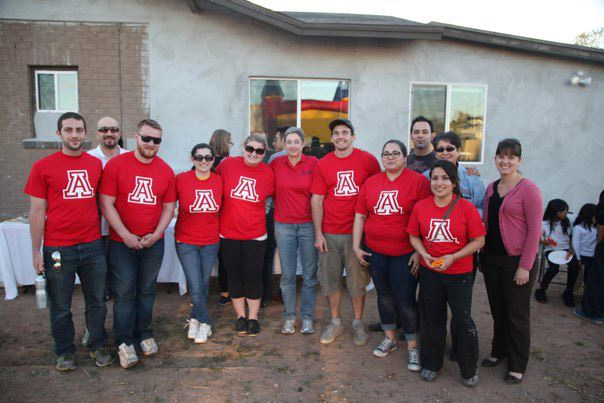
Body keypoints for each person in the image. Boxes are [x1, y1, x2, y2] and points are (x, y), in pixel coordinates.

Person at [25, 112, 113, 371]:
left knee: (97, 300)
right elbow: (37, 211)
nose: (74, 134)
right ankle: (64, 351)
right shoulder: (42, 167)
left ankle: (97, 345)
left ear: (85, 134)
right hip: (57, 249)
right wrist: (35, 250)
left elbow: (105, 202)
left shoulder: (96, 165)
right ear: (59, 134)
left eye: (79, 130)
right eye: (68, 130)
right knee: (60, 304)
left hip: (93, 245)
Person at [99, 119, 176, 369]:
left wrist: (156, 234)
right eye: (147, 138)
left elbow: (168, 208)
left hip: (153, 242)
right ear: (136, 137)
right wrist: (124, 234)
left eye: (157, 140)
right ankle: (124, 341)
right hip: (123, 243)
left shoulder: (165, 170)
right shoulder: (116, 165)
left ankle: (144, 333)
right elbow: (106, 203)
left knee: (146, 290)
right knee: (124, 293)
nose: (151, 144)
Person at [352, 139, 431, 370]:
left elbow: (425, 219)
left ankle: (414, 347)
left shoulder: (418, 182)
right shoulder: (371, 182)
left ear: (405, 157)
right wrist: (357, 246)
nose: (390, 157)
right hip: (376, 251)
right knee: (384, 295)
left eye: (395, 153)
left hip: (405, 253)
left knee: (405, 298)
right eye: (386, 154)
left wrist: (419, 251)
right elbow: (360, 216)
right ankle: (390, 338)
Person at [408, 160, 485, 387]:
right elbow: (414, 235)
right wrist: (423, 254)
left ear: (454, 182)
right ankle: (432, 363)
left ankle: (468, 367)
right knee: (431, 318)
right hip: (430, 271)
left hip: (459, 272)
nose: (439, 183)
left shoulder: (466, 208)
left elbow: (479, 240)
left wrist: (453, 257)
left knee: (462, 319)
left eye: (444, 178)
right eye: (434, 178)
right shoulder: (421, 207)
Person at [311, 118, 381, 346]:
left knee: (357, 281)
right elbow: (317, 200)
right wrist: (318, 233)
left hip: (357, 234)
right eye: (336, 133)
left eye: (345, 132)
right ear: (331, 139)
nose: (340, 136)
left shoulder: (368, 161)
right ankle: (335, 322)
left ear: (353, 136)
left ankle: (358, 324)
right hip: (330, 232)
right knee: (330, 280)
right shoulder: (323, 164)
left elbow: (378, 191)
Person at [480, 138, 543, 384]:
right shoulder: (491, 187)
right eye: (501, 156)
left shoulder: (529, 189)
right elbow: (487, 223)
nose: (505, 161)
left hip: (517, 261)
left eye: (511, 157)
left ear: (519, 160)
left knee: (517, 314)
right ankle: (499, 351)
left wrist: (525, 266)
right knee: (498, 310)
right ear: (495, 159)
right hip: (492, 259)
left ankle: (517, 364)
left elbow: (535, 232)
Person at [216, 133, 275, 336]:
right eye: (250, 149)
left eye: (259, 151)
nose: (253, 153)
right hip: (228, 233)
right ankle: (240, 316)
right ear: (243, 147)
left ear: (264, 153)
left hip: (255, 234)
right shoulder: (227, 165)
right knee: (234, 276)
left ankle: (253, 317)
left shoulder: (268, 173)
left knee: (253, 276)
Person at [270, 127, 319, 334]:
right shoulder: (275, 164)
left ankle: (307, 317)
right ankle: (289, 317)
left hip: (308, 225)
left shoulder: (313, 163)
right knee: (288, 275)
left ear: (302, 144)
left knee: (309, 275)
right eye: (288, 142)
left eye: (296, 142)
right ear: (284, 144)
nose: (292, 146)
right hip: (284, 225)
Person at [175, 143, 222, 344]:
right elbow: (167, 204)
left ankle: (194, 318)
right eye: (199, 157)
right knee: (195, 284)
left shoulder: (220, 181)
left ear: (213, 160)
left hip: (211, 241)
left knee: (202, 283)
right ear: (192, 159)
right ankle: (206, 322)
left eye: (208, 158)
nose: (204, 161)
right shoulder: (181, 179)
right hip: (186, 241)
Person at [88, 116, 129, 301]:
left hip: (126, 226)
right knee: (99, 273)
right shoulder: (88, 158)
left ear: (119, 133)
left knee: (123, 274)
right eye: (104, 130)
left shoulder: (130, 157)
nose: (109, 133)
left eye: (113, 129)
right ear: (97, 133)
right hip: (98, 226)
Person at [424, 132, 485, 215]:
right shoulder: (425, 178)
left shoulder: (473, 179)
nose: (445, 153)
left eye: (450, 149)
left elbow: (480, 208)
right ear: (436, 153)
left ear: (458, 151)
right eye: (440, 149)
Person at [534, 199, 580, 306]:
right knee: (554, 268)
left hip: (565, 249)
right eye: (563, 210)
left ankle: (569, 292)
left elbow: (572, 237)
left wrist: (571, 249)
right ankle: (542, 289)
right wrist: (545, 242)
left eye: (566, 210)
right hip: (551, 250)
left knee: (574, 267)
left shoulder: (568, 221)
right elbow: (540, 240)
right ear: (555, 212)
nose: (565, 213)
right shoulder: (543, 224)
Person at [209, 129, 233, 306]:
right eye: (229, 141)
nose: (231, 145)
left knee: (214, 256)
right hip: (222, 213)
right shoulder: (226, 163)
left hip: (209, 213)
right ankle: (225, 292)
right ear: (224, 143)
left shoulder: (204, 161)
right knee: (225, 257)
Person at [574, 190, 604, 324]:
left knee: (598, 278)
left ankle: (593, 312)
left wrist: (599, 244)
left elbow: (601, 221)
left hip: (596, 252)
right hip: (585, 256)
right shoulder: (579, 228)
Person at [571, 203, 597, 285]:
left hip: (592, 256)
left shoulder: (596, 229)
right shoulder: (578, 228)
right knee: (575, 273)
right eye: (595, 215)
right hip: (581, 256)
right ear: (589, 215)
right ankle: (569, 291)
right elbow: (576, 244)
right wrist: (578, 258)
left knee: (589, 276)